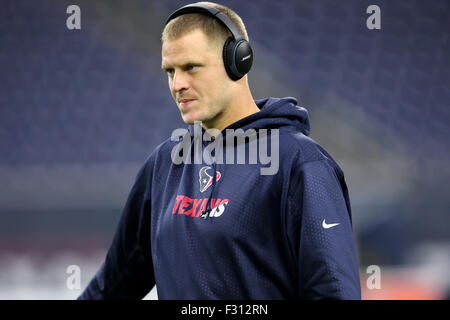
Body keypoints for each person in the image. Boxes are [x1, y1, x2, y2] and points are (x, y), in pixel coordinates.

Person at [78, 2, 361, 300]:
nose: (178, 84)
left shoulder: (301, 164)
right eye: (169, 71)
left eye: (191, 68)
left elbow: (333, 293)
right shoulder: (164, 164)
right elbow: (110, 288)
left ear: (238, 61)